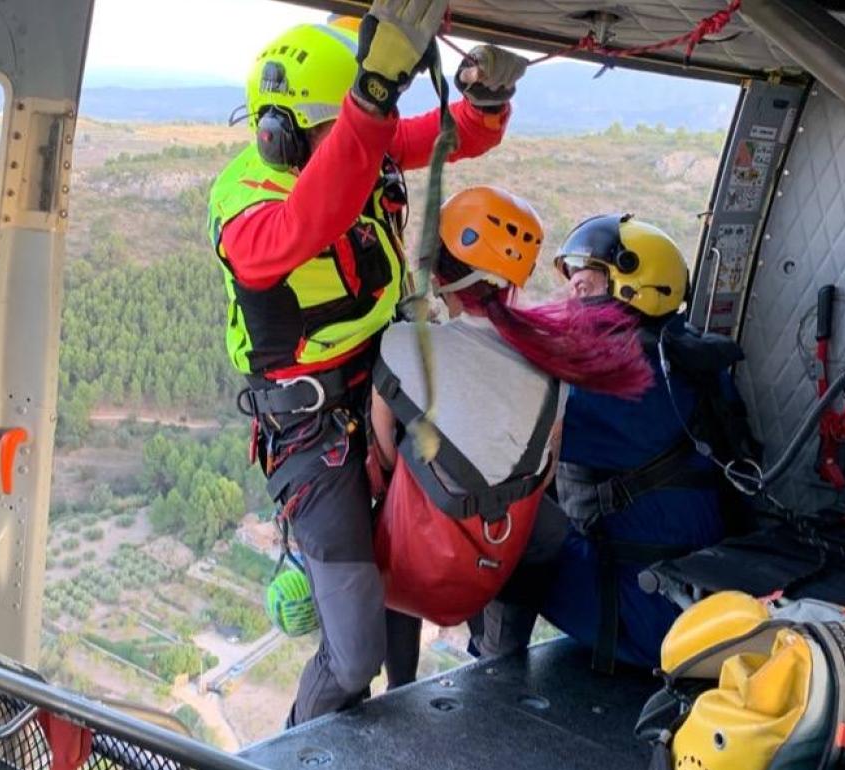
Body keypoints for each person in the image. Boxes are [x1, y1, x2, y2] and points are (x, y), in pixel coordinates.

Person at [206, 0, 530, 725]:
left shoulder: (359, 145)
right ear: (278, 135)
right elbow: (305, 223)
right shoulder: (248, 203)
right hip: (311, 440)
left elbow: (454, 138)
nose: (350, 145)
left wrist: (487, 96)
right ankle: (293, 750)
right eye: (331, 129)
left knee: (436, 560)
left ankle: (420, 706)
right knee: (352, 656)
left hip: (382, 396)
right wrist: (370, 103)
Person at [367, 189, 654, 687]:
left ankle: (399, 686)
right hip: (501, 557)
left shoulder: (403, 344)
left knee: (401, 482)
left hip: (419, 564)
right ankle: (499, 661)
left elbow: (385, 449)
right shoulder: (551, 366)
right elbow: (547, 470)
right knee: (542, 527)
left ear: (441, 276)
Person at [479, 212, 755, 672]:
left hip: (645, 613)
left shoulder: (620, 383)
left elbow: (508, 436)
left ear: (631, 290)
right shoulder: (684, 356)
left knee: (494, 523)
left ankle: (490, 670)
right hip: (694, 597)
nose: (570, 297)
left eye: (583, 288)